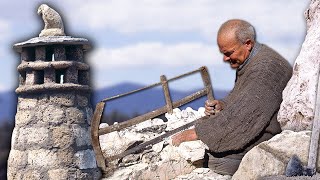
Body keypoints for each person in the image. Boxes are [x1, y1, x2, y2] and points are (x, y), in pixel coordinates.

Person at [172, 19, 292, 175]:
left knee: (219, 161)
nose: (225, 59)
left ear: (247, 44)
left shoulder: (266, 67)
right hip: (257, 123)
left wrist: (199, 133)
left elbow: (246, 115)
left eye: (229, 53)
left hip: (270, 133)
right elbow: (242, 97)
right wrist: (222, 104)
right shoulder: (251, 60)